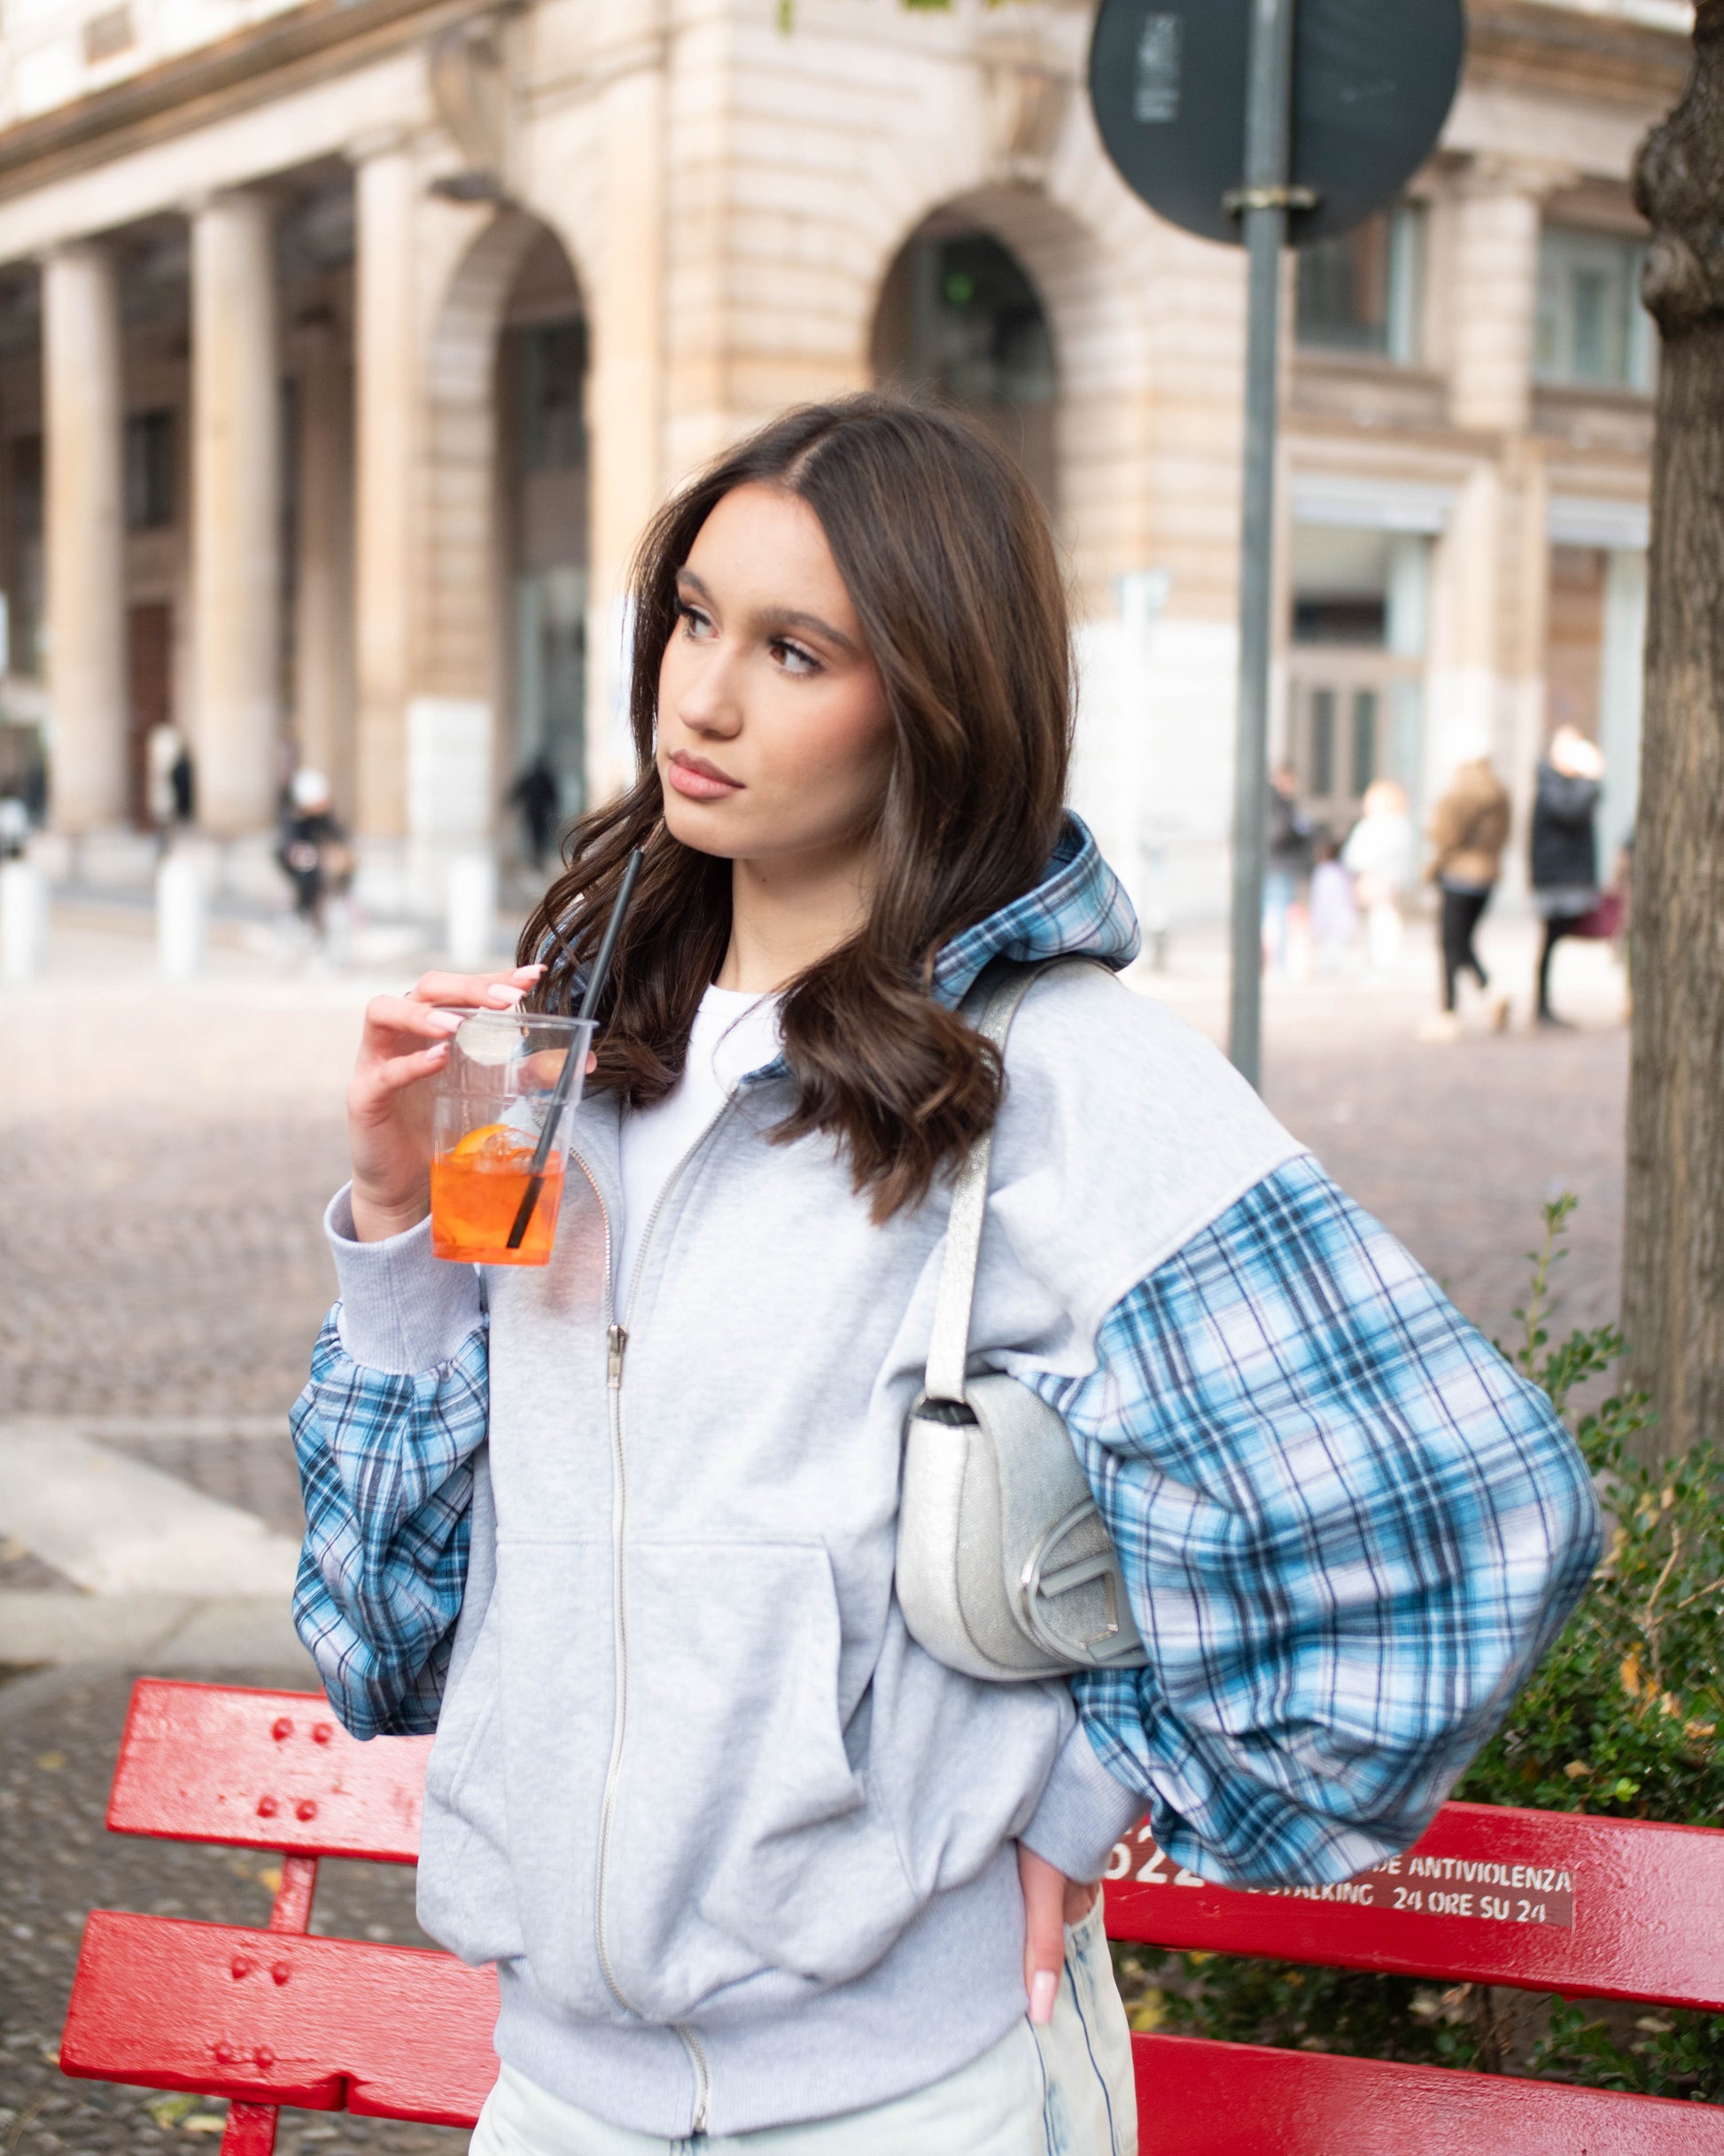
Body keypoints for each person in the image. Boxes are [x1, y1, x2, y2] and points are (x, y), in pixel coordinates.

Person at [291, 397, 1600, 2155]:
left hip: (904, 2101)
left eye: (793, 647)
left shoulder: (1050, 1074)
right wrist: (392, 1236)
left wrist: (1087, 1795)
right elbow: (384, 1636)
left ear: (934, 691)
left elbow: (1461, 1513)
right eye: (691, 616)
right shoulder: (574, 1059)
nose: (703, 697)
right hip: (551, 2101)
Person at [1423, 757, 1511, 1043]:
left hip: (1459, 873)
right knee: (1464, 941)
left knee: (1450, 943)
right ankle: (1491, 991)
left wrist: (1437, 856)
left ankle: (1449, 1011)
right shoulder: (1500, 793)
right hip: (1487, 875)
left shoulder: (1459, 794)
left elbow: (1446, 835)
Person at [1530, 724, 1604, 1028]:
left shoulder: (1563, 783)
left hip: (1567, 873)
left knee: (1553, 940)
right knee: (1551, 940)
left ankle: (1543, 1004)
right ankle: (1542, 1006)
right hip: (1556, 876)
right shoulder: (1550, 784)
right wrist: (1591, 777)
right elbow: (1571, 812)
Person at [1341, 778, 1415, 977]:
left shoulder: (1388, 825)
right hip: (1378, 876)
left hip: (1382, 877)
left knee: (1383, 917)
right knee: (1379, 917)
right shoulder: (1394, 825)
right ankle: (1378, 956)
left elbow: (1359, 854)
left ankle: (1384, 958)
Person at [276, 766, 353, 945]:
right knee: (308, 878)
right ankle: (303, 917)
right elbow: (288, 847)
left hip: (321, 862)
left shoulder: (325, 817)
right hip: (302, 864)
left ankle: (323, 925)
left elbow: (338, 835)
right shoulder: (296, 820)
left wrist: (342, 853)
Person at [1263, 764, 1311, 971]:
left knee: (1278, 915)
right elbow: (1279, 834)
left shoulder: (1286, 803)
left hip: (1279, 865)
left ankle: (1275, 961)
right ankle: (1277, 962)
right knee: (1277, 915)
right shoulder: (1277, 803)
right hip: (1277, 865)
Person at [1307, 830, 1357, 972]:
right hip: (1340, 914)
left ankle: (1332, 965)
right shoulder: (1341, 872)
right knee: (1334, 944)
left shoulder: (1324, 873)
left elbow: (1321, 897)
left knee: (1332, 943)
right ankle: (1332, 965)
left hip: (1332, 914)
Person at [509, 751, 563, 872]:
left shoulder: (542, 779)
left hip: (538, 813)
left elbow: (553, 797)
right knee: (536, 836)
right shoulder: (539, 778)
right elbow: (518, 792)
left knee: (538, 837)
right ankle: (535, 859)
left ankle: (537, 859)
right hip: (535, 813)